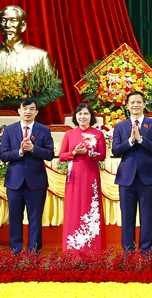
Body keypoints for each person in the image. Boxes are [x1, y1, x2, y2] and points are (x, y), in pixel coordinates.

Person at [0, 98, 54, 253]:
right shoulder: (9, 130)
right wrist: (20, 151)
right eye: (25, 109)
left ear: (36, 112)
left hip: (36, 183)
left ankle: (33, 252)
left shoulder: (44, 130)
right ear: (19, 111)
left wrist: (33, 149)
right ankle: (15, 251)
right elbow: (3, 155)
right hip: (14, 182)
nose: (27, 112)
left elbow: (49, 154)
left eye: (31, 109)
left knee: (35, 219)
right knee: (15, 218)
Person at [112, 91, 152, 253]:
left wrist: (141, 139)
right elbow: (115, 151)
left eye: (139, 102)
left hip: (148, 177)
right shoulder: (120, 126)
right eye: (132, 102)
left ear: (144, 105)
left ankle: (146, 251)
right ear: (127, 105)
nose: (135, 105)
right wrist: (130, 141)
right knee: (127, 217)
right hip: (126, 178)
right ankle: (128, 252)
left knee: (147, 216)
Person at [59, 103, 107, 254]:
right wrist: (73, 153)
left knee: (90, 208)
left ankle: (92, 250)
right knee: (73, 208)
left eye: (86, 113)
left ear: (91, 116)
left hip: (91, 176)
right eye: (79, 114)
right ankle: (72, 251)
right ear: (75, 117)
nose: (82, 116)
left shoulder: (98, 134)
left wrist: (87, 153)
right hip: (74, 176)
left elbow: (102, 155)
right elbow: (62, 156)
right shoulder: (69, 134)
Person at [0, 5, 53, 73]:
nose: (7, 25)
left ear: (23, 26)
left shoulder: (40, 56)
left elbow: (50, 85)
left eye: (13, 21)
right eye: (3, 20)